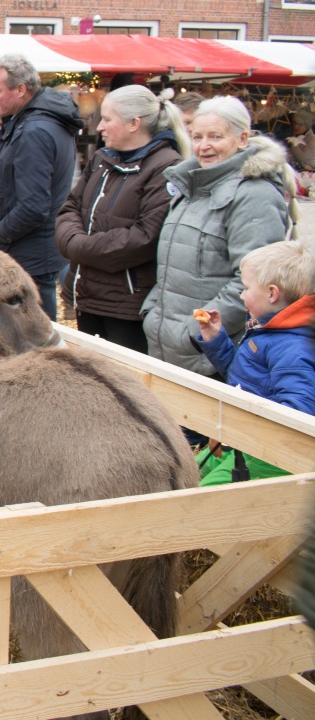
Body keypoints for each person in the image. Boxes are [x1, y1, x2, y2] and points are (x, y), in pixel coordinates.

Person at [142, 96, 297, 378]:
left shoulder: (253, 195)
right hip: (169, 344)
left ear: (242, 139)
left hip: (211, 353)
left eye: (215, 136)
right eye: (197, 136)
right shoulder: (193, 186)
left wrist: (194, 331)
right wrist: (154, 313)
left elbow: (254, 282)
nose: (204, 146)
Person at [56, 86, 191, 353]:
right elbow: (71, 207)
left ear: (134, 124)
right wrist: (73, 240)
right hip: (89, 295)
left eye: (107, 119)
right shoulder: (102, 159)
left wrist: (79, 247)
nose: (100, 127)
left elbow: (145, 237)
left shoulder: (166, 167)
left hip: (127, 306)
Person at [192, 240, 315, 485]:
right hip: (246, 438)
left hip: (272, 456)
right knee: (184, 471)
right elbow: (248, 380)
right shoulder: (270, 328)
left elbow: (298, 414)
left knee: (198, 497)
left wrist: (233, 428)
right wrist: (217, 340)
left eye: (247, 288)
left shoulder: (293, 347)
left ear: (272, 293)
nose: (241, 294)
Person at [0, 53, 84, 321]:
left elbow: (33, 207)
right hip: (32, 249)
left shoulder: (35, 131)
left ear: (20, 90)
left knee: (35, 341)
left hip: (29, 252)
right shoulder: (38, 123)